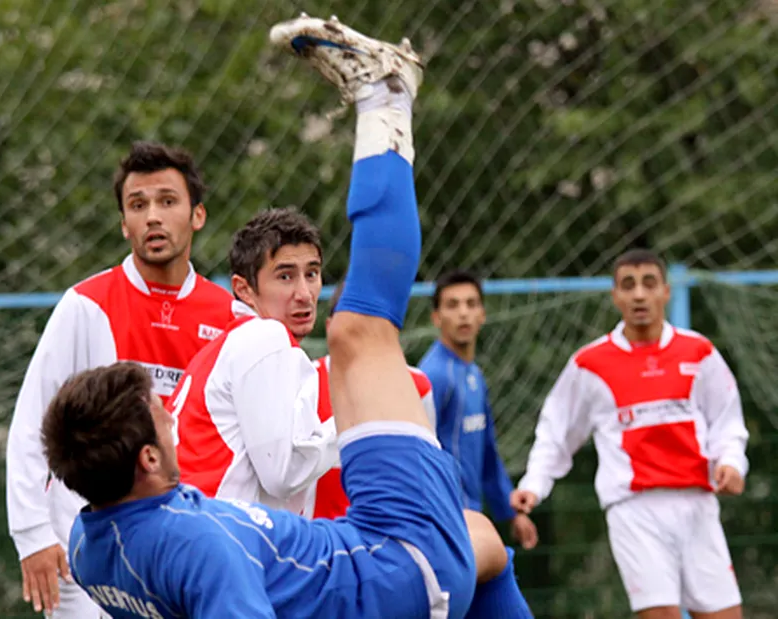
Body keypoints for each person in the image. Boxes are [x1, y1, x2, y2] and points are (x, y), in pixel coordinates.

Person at [41, 15, 531, 617]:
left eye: (310, 273)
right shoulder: (200, 539)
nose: (169, 410)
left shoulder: (92, 545)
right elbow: (269, 489)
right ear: (145, 458)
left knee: (482, 543)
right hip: (398, 567)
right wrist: (345, 425)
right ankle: (385, 95)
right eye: (156, 415)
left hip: (370, 552)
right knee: (359, 330)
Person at [5, 141, 235, 616]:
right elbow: (32, 421)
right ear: (123, 223)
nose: (153, 216)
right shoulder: (86, 305)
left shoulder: (231, 316)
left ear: (197, 216)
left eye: (167, 201)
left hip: (189, 545)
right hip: (86, 552)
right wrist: (31, 534)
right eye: (138, 205)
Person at [511, 249, 748, 619]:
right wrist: (534, 485)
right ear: (615, 295)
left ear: (665, 292)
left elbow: (727, 421)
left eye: (649, 283)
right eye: (628, 285)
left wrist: (732, 463)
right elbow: (556, 431)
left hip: (698, 504)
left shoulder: (698, 352)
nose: (639, 294)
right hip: (635, 511)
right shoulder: (589, 363)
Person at [167, 207, 338, 517]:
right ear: (244, 289)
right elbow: (283, 474)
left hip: (189, 528)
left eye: (311, 274)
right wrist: (355, 422)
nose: (304, 293)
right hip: (210, 533)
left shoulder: (233, 342)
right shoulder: (265, 337)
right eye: (285, 276)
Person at [419, 269, 539, 550]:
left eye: (471, 304)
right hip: (442, 521)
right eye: (453, 305)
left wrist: (510, 512)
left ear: (482, 314)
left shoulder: (473, 374)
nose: (463, 313)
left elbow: (486, 451)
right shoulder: (434, 376)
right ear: (436, 317)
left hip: (470, 518)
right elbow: (416, 454)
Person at [311, 281, 437, 520]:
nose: (362, 336)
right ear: (331, 328)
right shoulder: (305, 382)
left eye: (372, 325)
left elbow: (424, 473)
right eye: (353, 326)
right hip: (322, 544)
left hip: (391, 541)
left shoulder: (418, 387)